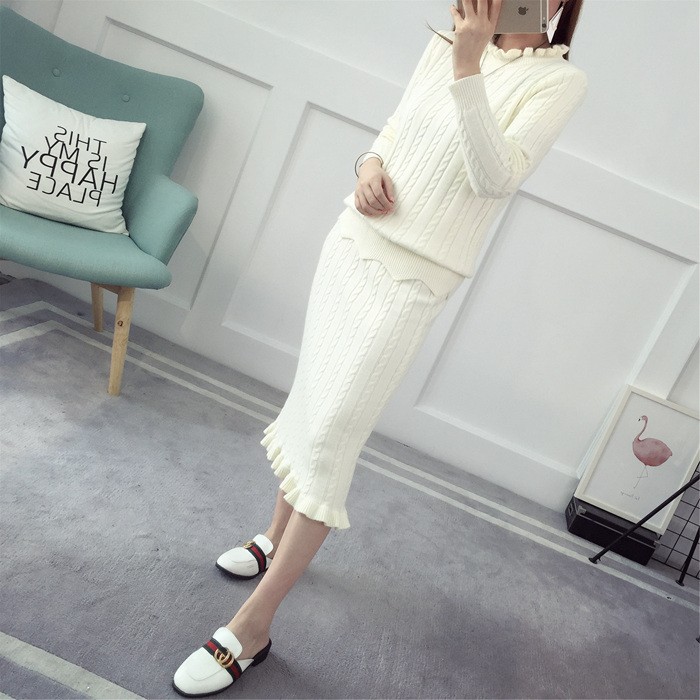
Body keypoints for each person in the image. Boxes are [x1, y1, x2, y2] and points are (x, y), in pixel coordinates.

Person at [172, 0, 588, 695]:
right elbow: (394, 130)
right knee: (313, 404)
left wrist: (468, 65)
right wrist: (367, 166)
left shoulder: (558, 81)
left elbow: (494, 177)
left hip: (414, 274)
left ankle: (253, 627)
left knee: (334, 433)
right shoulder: (445, 42)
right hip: (354, 244)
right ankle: (274, 538)